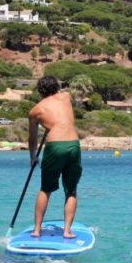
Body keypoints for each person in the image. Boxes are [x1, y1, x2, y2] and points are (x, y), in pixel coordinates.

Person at [28, 76, 82, 238]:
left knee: (46, 189)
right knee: (71, 191)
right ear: (57, 87)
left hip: (54, 146)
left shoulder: (35, 111)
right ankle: (67, 231)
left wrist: (33, 157)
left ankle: (37, 230)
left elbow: (32, 139)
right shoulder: (65, 97)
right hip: (73, 144)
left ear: (39, 91)